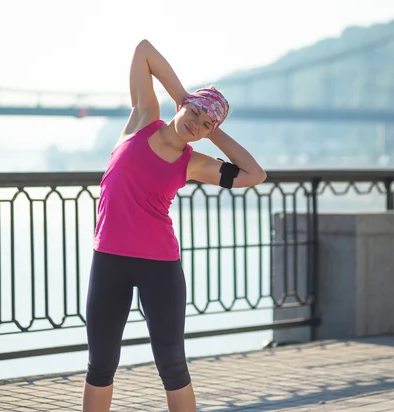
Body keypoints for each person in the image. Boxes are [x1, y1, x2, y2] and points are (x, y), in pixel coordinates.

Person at [81, 39, 267, 412]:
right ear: (183, 107)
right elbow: (143, 51)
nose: (196, 125)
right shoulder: (142, 119)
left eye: (205, 124)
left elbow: (255, 174)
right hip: (109, 259)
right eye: (195, 115)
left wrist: (214, 131)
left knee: (172, 364)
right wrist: (184, 95)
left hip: (159, 267)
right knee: (101, 363)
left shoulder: (193, 162)